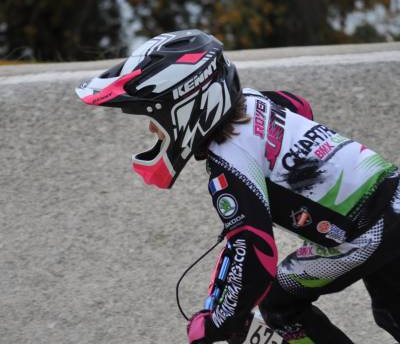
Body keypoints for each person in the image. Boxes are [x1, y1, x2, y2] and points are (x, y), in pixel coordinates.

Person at [76, 29, 400, 344]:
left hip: (364, 233)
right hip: (392, 193)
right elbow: (299, 106)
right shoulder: (255, 100)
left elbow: (256, 252)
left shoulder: (229, 161)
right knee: (391, 311)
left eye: (154, 118)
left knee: (278, 307)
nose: (151, 129)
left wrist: (219, 322)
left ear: (185, 107)